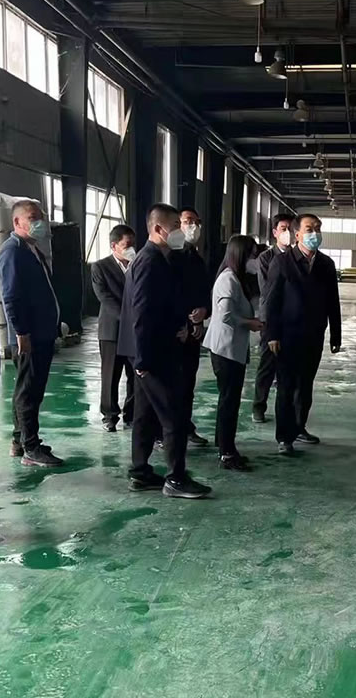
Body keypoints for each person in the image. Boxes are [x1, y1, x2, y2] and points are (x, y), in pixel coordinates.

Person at [117, 203, 211, 498]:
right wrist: (143, 361)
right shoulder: (149, 261)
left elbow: (164, 305)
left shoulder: (161, 258)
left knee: (145, 415)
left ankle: (140, 472)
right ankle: (176, 478)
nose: (181, 232)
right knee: (174, 415)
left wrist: (180, 324)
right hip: (152, 354)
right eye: (175, 227)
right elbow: (142, 314)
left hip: (153, 350)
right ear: (158, 229)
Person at [264, 213, 342, 455]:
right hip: (287, 336)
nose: (315, 233)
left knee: (305, 386)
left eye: (318, 228)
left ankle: (299, 427)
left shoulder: (326, 264)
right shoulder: (282, 262)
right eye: (309, 229)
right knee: (286, 387)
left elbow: (333, 302)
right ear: (296, 234)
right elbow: (271, 301)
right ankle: (284, 437)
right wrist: (272, 334)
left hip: (314, 335)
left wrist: (336, 335)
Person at [0, 200, 64, 467]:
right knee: (28, 391)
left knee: (30, 389)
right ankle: (31, 448)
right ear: (17, 222)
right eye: (33, 217)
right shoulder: (12, 251)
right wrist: (21, 332)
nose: (40, 222)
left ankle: (20, 440)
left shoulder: (31, 249)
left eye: (41, 217)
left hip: (41, 332)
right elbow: (11, 296)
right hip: (29, 336)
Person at [204, 236, 264, 471]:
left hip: (232, 348)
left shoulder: (236, 278)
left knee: (229, 399)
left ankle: (224, 445)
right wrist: (250, 323)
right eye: (252, 255)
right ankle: (226, 453)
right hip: (225, 350)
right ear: (241, 255)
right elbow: (226, 316)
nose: (255, 260)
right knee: (229, 401)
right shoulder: (228, 279)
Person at [91, 224, 136, 432]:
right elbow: (105, 298)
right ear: (114, 245)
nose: (131, 249)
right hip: (112, 329)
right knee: (110, 374)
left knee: (135, 374)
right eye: (126, 245)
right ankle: (109, 415)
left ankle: (132, 414)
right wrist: (129, 319)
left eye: (133, 244)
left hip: (135, 329)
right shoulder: (100, 267)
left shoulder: (139, 265)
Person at [252, 213, 294, 423]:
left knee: (289, 369)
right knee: (267, 366)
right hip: (271, 318)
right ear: (275, 232)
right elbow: (267, 291)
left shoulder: (297, 257)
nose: (288, 233)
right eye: (284, 229)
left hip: (292, 320)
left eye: (291, 229)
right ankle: (258, 407)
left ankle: (287, 414)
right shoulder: (266, 258)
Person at [177, 207, 212, 448]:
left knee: (188, 384)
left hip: (192, 331)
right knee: (171, 385)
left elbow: (203, 292)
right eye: (188, 221)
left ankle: (186, 427)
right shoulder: (171, 256)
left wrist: (203, 314)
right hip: (176, 331)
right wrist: (186, 323)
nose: (193, 226)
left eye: (196, 222)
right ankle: (163, 432)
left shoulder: (196, 257)